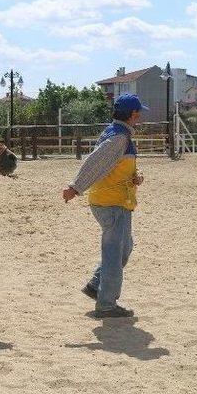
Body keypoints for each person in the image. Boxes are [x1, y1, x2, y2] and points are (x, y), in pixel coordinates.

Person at [62, 93, 146, 318]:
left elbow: (113, 165)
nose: (140, 118)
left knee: (124, 248)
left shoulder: (118, 134)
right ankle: (107, 304)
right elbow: (95, 162)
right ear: (133, 114)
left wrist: (135, 175)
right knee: (114, 253)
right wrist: (75, 187)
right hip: (112, 203)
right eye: (139, 114)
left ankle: (95, 285)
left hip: (115, 201)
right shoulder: (118, 138)